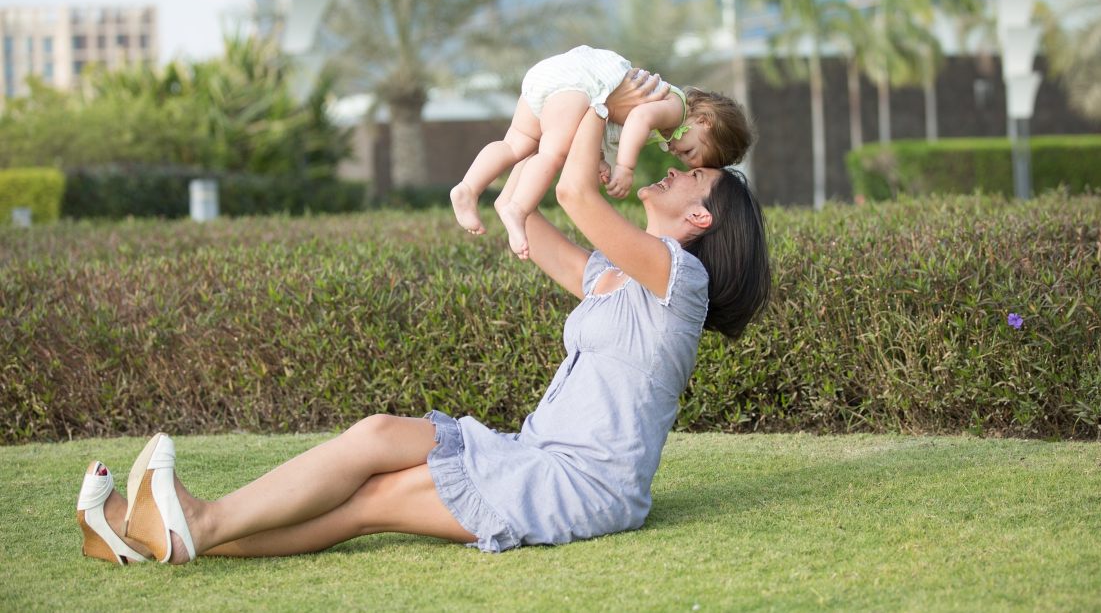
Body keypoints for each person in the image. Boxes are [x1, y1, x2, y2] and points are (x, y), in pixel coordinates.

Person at [73, 71, 771, 564]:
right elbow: (531, 215)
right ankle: (149, 531)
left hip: (581, 484)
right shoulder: (618, 276)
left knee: (376, 500)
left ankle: (189, 525)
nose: (678, 168)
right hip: (531, 450)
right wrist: (533, 137)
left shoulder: (682, 279)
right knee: (377, 436)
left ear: (700, 217)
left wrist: (597, 86)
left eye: (694, 176)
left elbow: (576, 193)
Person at [450, 45, 753, 259]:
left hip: (555, 77)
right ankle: (517, 208)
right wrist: (624, 167)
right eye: (690, 153)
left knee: (516, 144)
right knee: (552, 154)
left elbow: (605, 121)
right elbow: (636, 117)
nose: (679, 157)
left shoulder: (667, 121)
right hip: (580, 83)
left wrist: (599, 160)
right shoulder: (676, 108)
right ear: (704, 121)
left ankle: (468, 188)